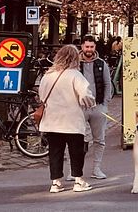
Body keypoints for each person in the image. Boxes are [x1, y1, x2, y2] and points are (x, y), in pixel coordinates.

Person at [38, 45, 96, 193]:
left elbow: (41, 95)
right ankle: (78, 180)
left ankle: (56, 182)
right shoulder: (75, 75)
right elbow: (85, 95)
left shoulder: (48, 75)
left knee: (55, 152)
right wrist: (90, 104)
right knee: (76, 151)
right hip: (72, 120)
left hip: (52, 120)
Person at [77, 35, 112, 180]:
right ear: (82, 47)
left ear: (95, 47)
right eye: (87, 47)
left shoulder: (101, 63)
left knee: (99, 140)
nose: (89, 50)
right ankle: (76, 171)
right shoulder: (75, 63)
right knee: (78, 140)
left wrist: (104, 103)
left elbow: (107, 84)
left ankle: (96, 169)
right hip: (79, 108)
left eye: (91, 47)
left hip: (97, 107)